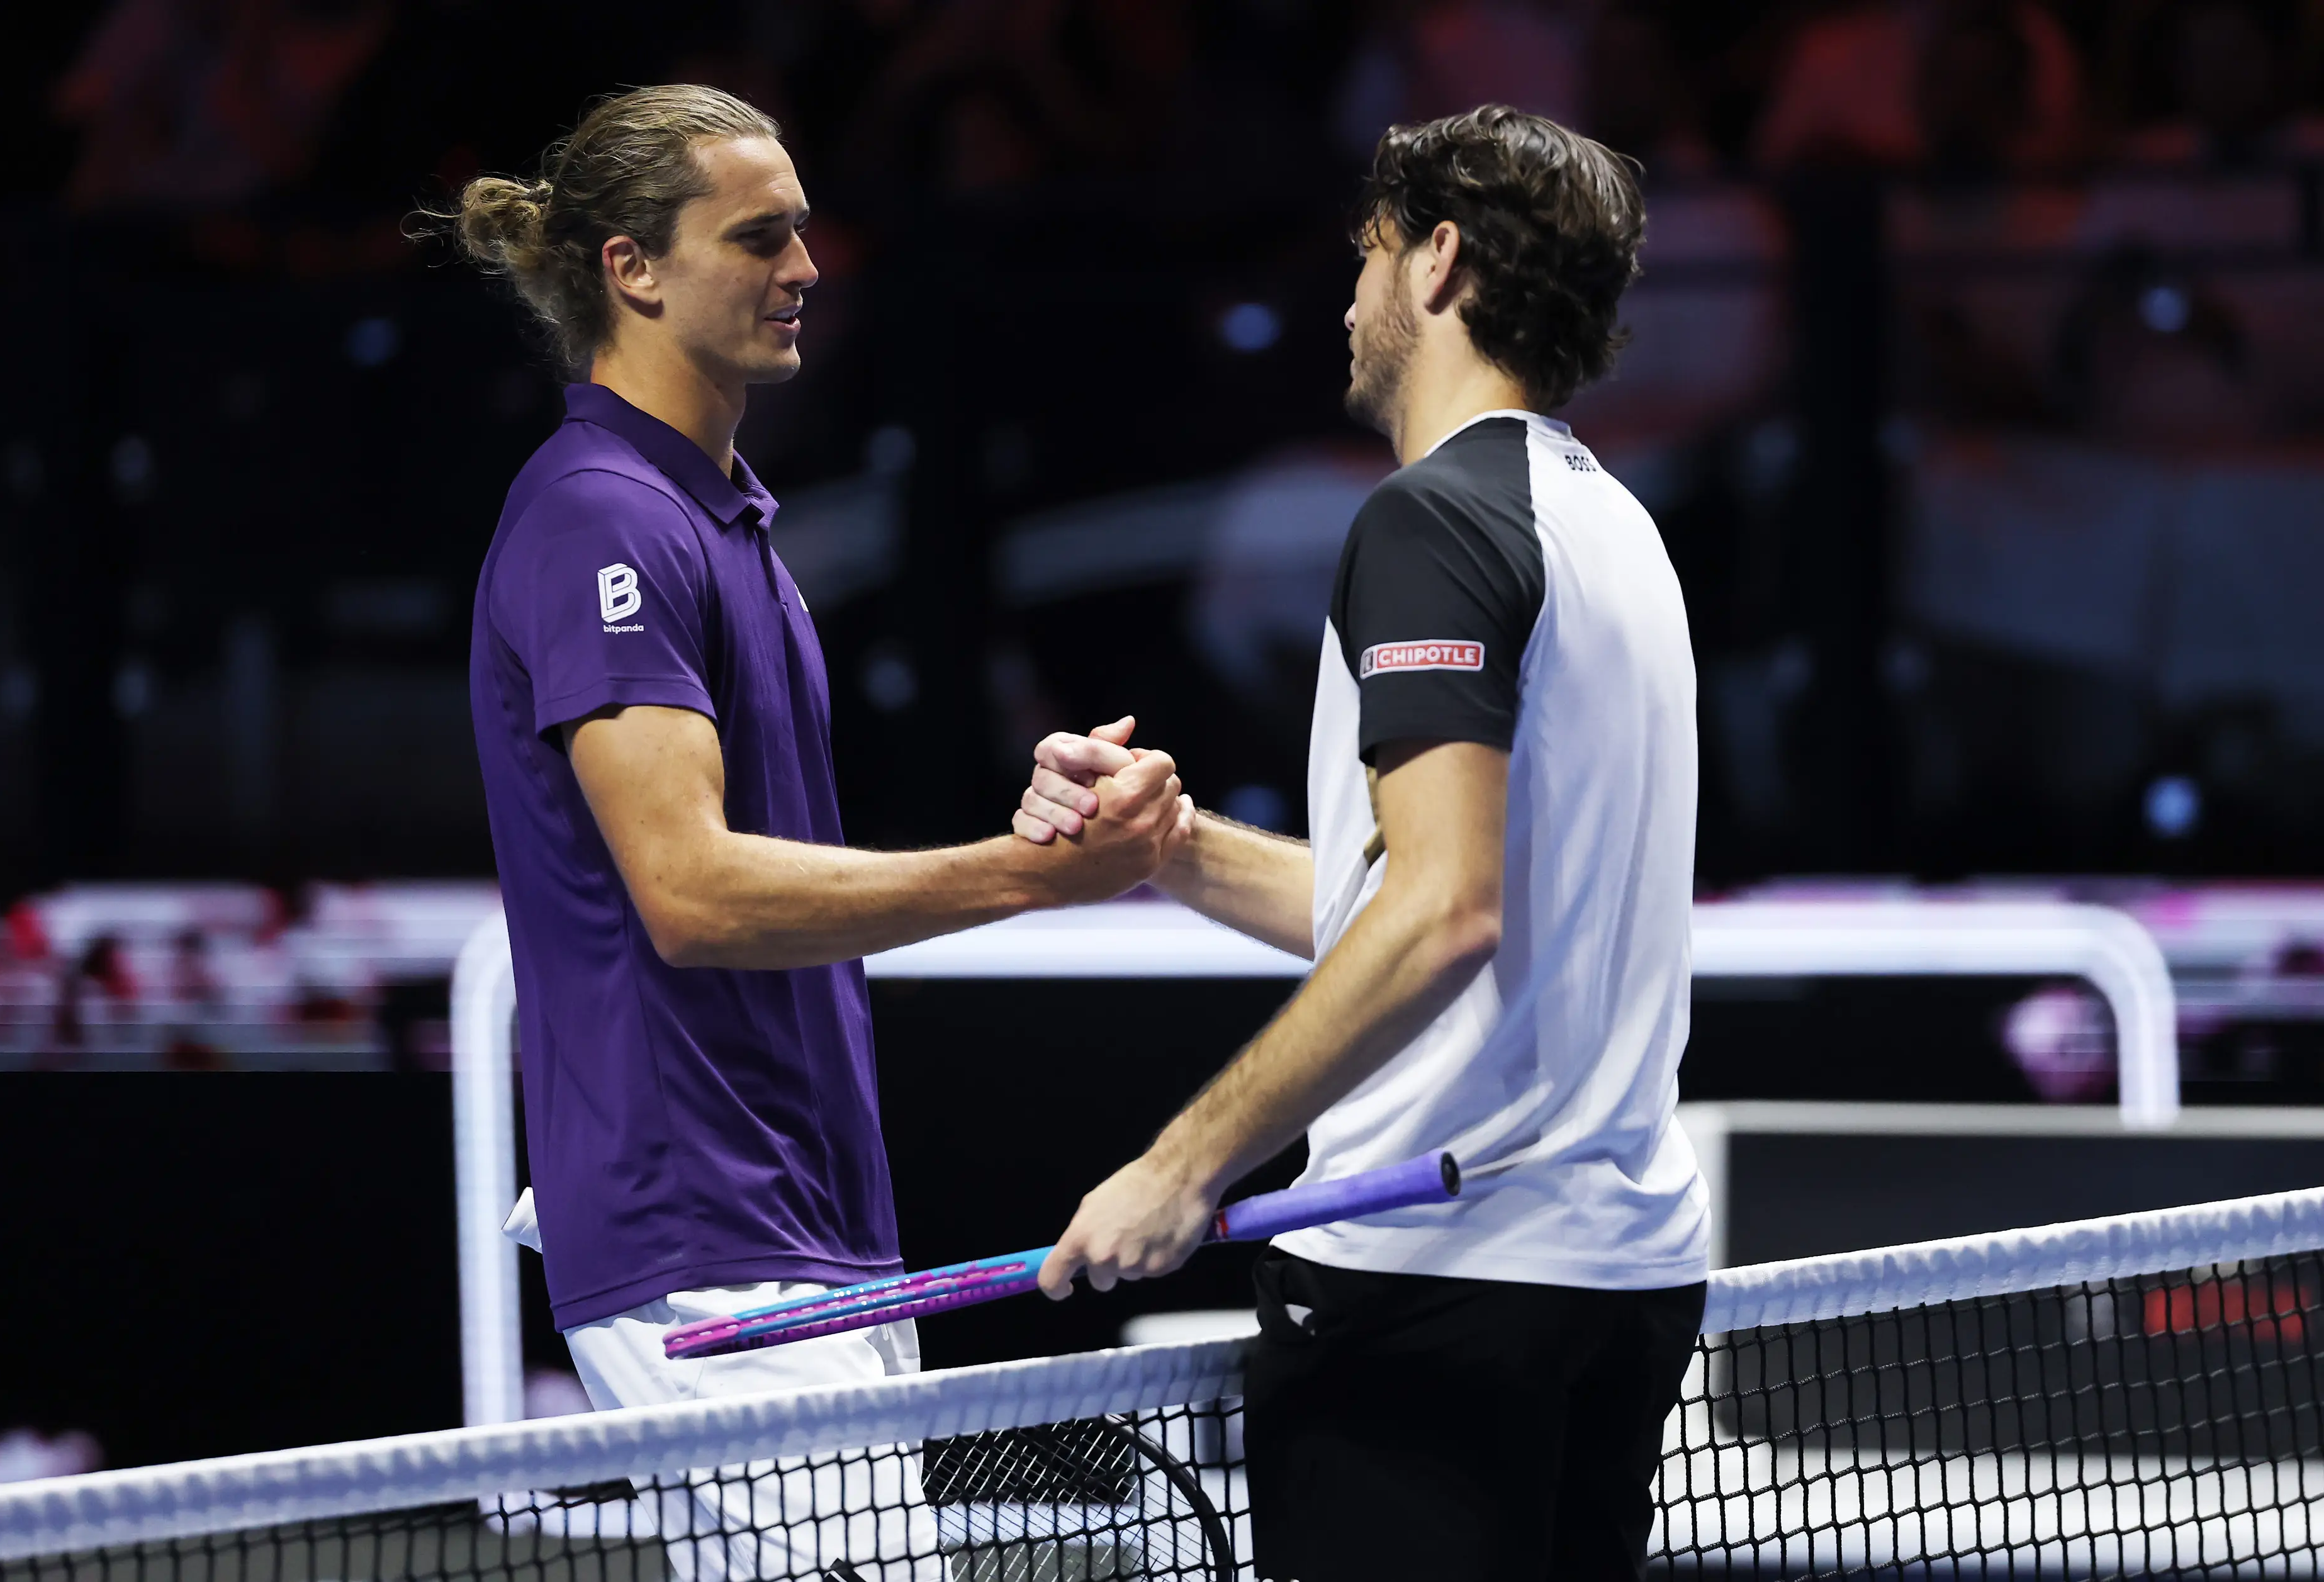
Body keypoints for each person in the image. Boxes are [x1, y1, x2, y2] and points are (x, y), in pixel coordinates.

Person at [446, 84, 1184, 1578]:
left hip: (805, 1226)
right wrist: (1028, 882)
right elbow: (693, 892)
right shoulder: (601, 516)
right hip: (703, 1234)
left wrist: (1025, 824)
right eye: (760, 236)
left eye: (806, 231)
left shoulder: (719, 517)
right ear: (629, 268)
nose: (806, 268)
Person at [1016, 106, 1709, 1581]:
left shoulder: (1433, 521)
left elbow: (1446, 912)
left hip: (1433, 1296)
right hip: (1618, 1289)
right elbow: (1447, 893)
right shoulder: (1615, 527)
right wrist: (1177, 847)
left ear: (1442, 261)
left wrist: (1184, 1164)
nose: (1348, 298)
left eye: (1371, 256)